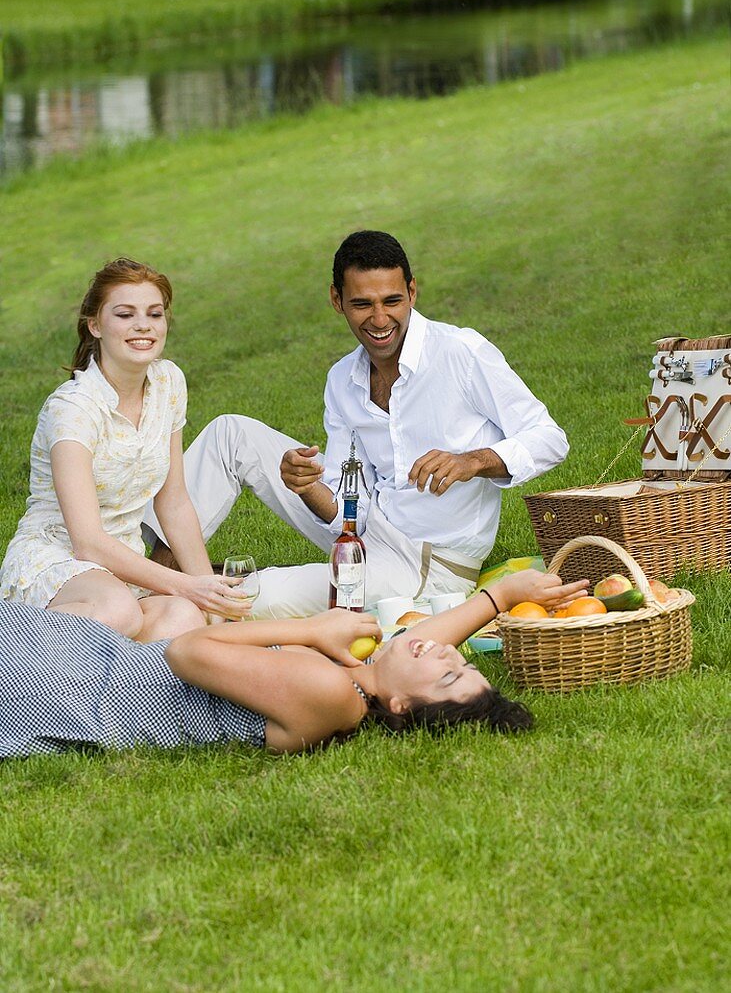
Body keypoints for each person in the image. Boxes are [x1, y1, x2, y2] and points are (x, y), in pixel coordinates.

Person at [145, 231, 568, 619]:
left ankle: (165, 601)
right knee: (230, 433)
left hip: (425, 564)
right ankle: (149, 573)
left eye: (392, 301)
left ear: (412, 292)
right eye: (363, 304)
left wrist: (472, 461)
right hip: (364, 530)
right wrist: (307, 484)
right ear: (337, 300)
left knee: (259, 595)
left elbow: (549, 439)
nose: (380, 319)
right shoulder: (343, 379)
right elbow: (350, 508)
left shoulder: (461, 353)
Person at [0, 570, 588, 758]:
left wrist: (311, 628)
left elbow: (188, 651)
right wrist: (499, 598)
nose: (444, 651)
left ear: (402, 707)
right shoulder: (360, 680)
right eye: (461, 661)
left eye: (448, 674)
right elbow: (419, 644)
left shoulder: (332, 692)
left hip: (76, 687)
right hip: (100, 660)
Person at [0, 258, 245, 641]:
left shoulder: (168, 381)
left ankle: (103, 687)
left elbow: (174, 502)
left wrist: (207, 597)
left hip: (121, 567)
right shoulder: (74, 409)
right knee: (120, 612)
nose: (143, 325)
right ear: (95, 325)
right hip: (58, 561)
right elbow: (88, 542)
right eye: (125, 314)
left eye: (154, 313)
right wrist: (183, 583)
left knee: (184, 618)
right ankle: (15, 649)